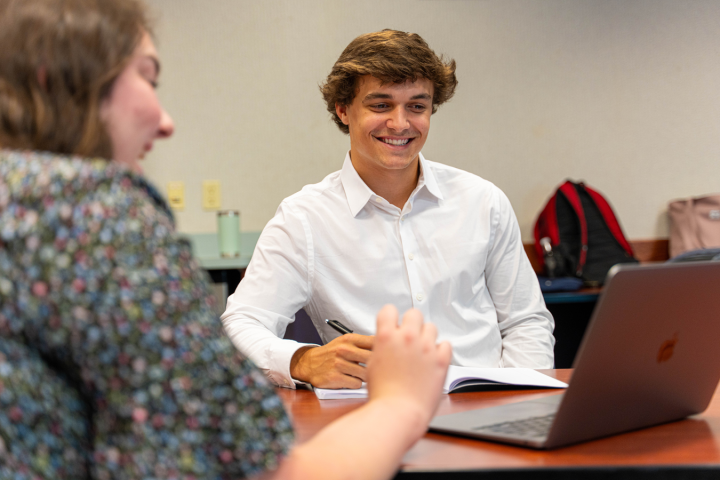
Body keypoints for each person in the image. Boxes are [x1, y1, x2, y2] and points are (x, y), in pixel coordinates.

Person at [0, 2, 451, 479]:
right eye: (147, 79)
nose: (164, 120)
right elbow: (272, 471)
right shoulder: (94, 210)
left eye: (416, 105)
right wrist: (401, 401)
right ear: (58, 82)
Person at [222, 29, 556, 390]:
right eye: (380, 105)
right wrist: (301, 360)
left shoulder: (483, 201)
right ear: (343, 109)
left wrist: (520, 397)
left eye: (417, 106)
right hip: (372, 415)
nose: (400, 123)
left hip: (485, 406)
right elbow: (240, 324)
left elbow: (526, 323)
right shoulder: (304, 219)